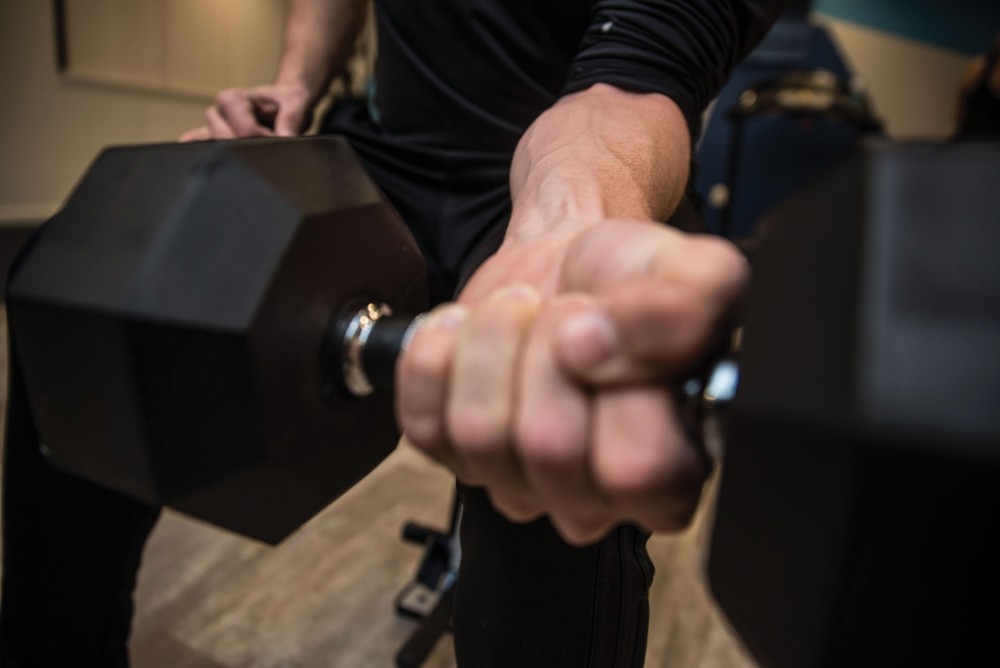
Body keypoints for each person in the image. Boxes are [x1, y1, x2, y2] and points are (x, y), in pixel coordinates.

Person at [1, 1, 783, 666]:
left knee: (555, 459)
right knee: (85, 287)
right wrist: (292, 86)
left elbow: (633, 82)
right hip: (385, 157)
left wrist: (563, 227)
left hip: (557, 164)